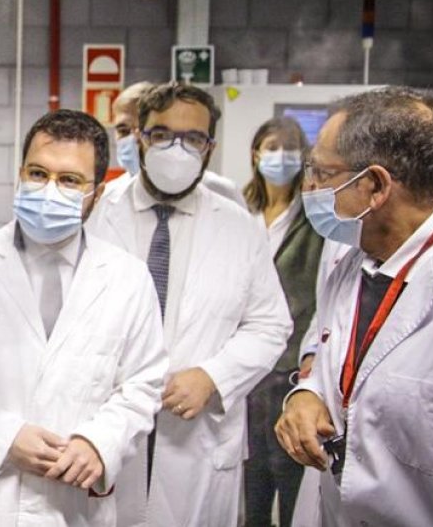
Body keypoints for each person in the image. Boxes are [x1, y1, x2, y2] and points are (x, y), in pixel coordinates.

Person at [0, 109, 168, 526]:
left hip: (69, 505)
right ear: (20, 176)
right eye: (37, 174)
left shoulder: (127, 278)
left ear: (97, 194)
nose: (50, 190)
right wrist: (3, 438)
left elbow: (143, 384)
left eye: (69, 180)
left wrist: (98, 443)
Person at [85, 82, 292, 526]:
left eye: (193, 138)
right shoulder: (98, 216)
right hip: (107, 424)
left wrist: (214, 376)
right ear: (139, 136)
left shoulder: (237, 228)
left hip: (198, 434)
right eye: (162, 134)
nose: (176, 150)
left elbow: (270, 324)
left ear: (209, 147)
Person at [275, 87, 433, 527]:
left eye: (323, 173)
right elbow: (335, 357)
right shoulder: (349, 252)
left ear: (376, 186)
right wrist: (307, 394)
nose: (309, 187)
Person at [240, 117, 339, 527]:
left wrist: (311, 355)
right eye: (272, 146)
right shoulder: (240, 211)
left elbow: (324, 291)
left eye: (291, 148)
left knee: (288, 472)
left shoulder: (314, 218)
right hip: (244, 364)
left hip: (288, 367)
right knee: (251, 477)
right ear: (255, 153)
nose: (281, 156)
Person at [106, 81, 247, 208]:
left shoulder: (222, 192)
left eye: (159, 134)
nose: (134, 139)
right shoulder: (106, 198)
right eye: (123, 130)